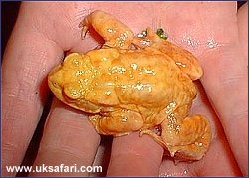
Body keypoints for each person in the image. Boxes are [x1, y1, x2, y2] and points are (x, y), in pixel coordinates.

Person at [2, 1, 248, 176]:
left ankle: (188, 143)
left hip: (173, 104)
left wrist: (101, 123)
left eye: (71, 94)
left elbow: (130, 118)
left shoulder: (106, 57)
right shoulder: (107, 54)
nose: (54, 78)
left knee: (172, 136)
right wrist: (93, 17)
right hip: (176, 68)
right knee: (193, 71)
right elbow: (120, 35)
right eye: (70, 63)